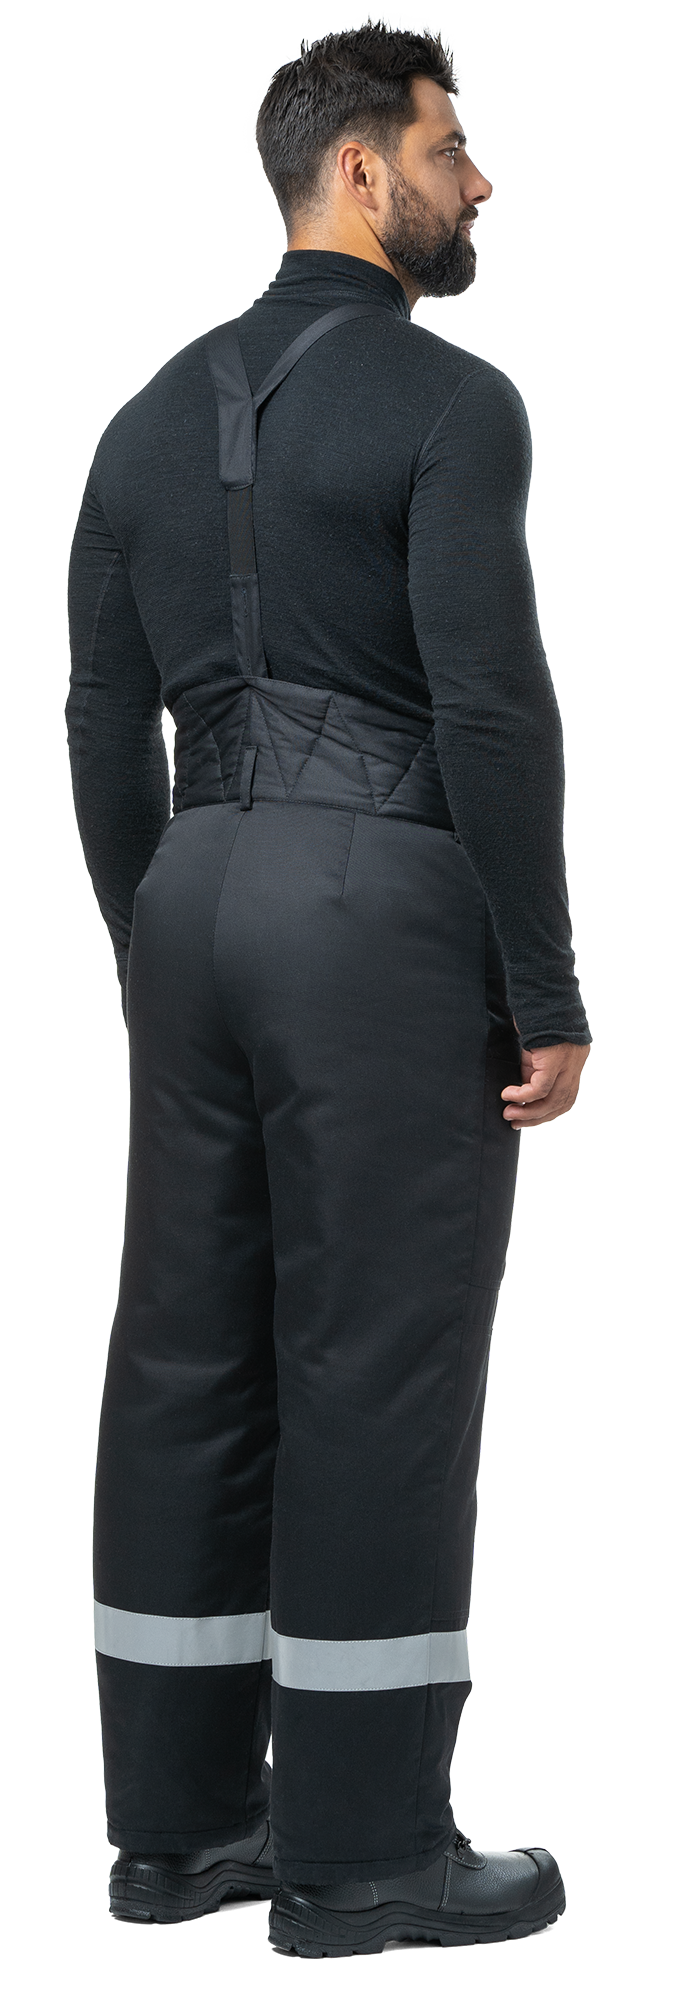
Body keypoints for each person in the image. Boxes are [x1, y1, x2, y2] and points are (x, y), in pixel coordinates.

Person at [66, 19, 590, 1958]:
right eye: (451, 150)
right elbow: (486, 705)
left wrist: (155, 931)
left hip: (196, 893)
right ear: (357, 168)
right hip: (377, 906)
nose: (478, 184)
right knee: (376, 1356)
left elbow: (100, 717)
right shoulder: (448, 404)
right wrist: (543, 986)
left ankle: (178, 1834)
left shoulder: (140, 419)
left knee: (187, 1356)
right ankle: (362, 1854)